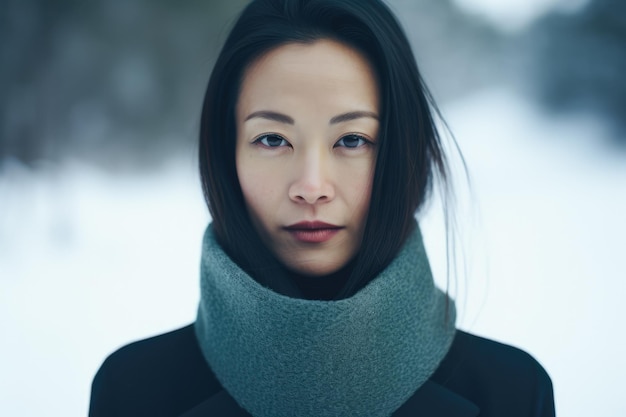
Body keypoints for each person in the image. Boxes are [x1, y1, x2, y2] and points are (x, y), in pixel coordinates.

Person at [89, 0, 555, 416]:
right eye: (272, 139)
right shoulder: (132, 392)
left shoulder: (511, 394)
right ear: (224, 155)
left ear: (403, 152)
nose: (311, 187)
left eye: (352, 140)